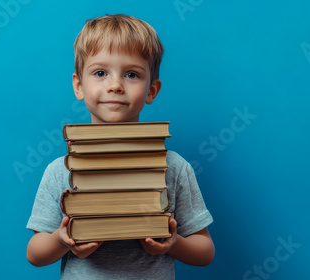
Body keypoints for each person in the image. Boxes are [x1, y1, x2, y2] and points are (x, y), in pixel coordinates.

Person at [26, 14, 214, 279]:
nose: (115, 85)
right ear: (79, 86)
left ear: (152, 90)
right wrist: (61, 239)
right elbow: (35, 254)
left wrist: (174, 244)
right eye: (100, 73)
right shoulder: (60, 171)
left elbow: (205, 251)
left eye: (131, 74)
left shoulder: (173, 167)